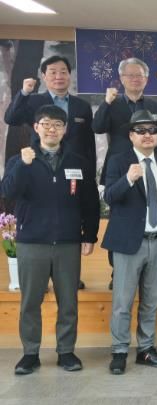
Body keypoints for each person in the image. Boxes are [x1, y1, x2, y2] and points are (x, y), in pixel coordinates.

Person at [3, 105, 99, 375]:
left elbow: (90, 202)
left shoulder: (78, 161)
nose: (51, 129)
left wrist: (89, 235)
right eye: (46, 124)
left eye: (57, 124)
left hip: (68, 243)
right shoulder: (20, 160)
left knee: (68, 302)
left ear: (65, 129)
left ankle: (66, 351)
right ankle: (30, 353)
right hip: (32, 242)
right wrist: (23, 165)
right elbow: (8, 191)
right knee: (30, 302)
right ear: (36, 128)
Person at [4, 56, 96, 290]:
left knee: (69, 215)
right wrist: (24, 93)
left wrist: (91, 170)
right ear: (43, 76)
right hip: (39, 166)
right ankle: (41, 276)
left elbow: (88, 143)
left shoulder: (82, 106)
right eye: (52, 72)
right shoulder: (34, 100)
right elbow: (11, 118)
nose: (58, 76)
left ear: (70, 75)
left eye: (63, 71)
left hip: (74, 169)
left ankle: (67, 276)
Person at [102, 110, 157, 374]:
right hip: (128, 243)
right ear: (131, 135)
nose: (147, 135)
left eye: (152, 130)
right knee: (123, 301)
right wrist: (128, 179)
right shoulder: (118, 161)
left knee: (151, 301)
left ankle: (146, 348)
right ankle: (119, 350)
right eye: (141, 131)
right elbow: (109, 197)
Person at [93, 57, 157, 291]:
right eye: (130, 75)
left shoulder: (154, 106)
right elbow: (97, 127)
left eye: (139, 75)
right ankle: (118, 271)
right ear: (121, 79)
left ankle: (144, 270)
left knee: (146, 212)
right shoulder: (113, 103)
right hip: (119, 168)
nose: (135, 79)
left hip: (150, 167)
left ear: (147, 79)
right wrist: (106, 102)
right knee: (120, 220)